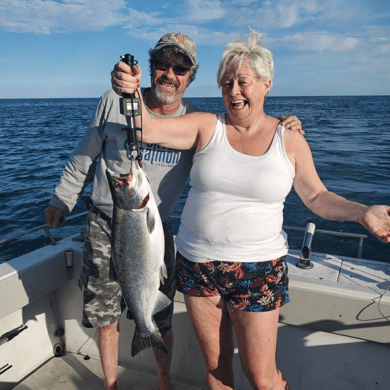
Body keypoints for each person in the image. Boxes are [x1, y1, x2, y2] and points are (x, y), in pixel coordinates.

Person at [116, 29, 390, 390]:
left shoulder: (289, 138)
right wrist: (131, 89)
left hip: (259, 268)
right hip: (197, 264)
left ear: (266, 84)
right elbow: (145, 127)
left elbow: (317, 197)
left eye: (242, 82)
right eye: (226, 83)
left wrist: (361, 212)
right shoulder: (206, 126)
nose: (233, 91)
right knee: (215, 370)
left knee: (262, 377)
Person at [45, 32, 302, 390]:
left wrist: (282, 126)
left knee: (160, 316)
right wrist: (62, 199)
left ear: (190, 76)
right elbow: (85, 153)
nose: (170, 73)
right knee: (106, 315)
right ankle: (110, 384)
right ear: (150, 68)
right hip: (106, 223)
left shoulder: (198, 120)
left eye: (179, 67)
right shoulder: (112, 101)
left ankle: (164, 382)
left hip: (156, 228)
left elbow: (239, 140)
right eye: (162, 65)